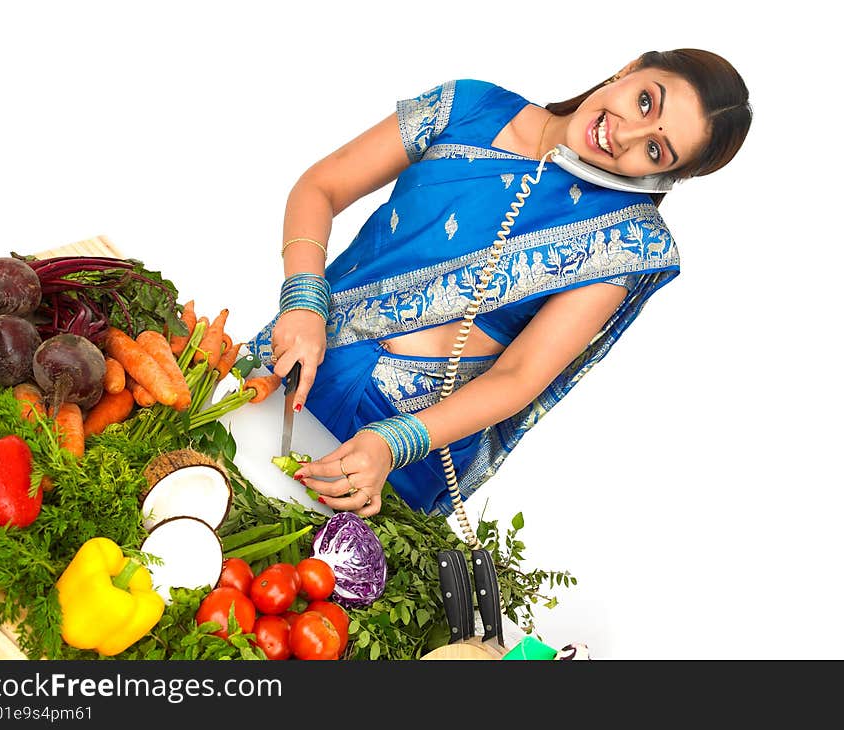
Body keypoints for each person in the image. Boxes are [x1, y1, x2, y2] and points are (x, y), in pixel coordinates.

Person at [248, 48, 752, 519]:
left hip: (403, 446)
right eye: (645, 102)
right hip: (304, 358)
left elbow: (519, 375)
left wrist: (392, 443)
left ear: (660, 178)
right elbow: (321, 187)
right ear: (631, 67)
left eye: (655, 150)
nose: (624, 137)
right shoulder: (467, 105)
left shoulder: (624, 241)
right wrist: (302, 301)